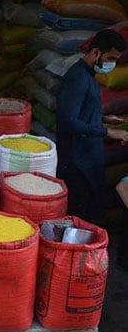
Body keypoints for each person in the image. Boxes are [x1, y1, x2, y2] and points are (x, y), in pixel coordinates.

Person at [56, 29, 128, 222]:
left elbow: (81, 112)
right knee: (79, 218)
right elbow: (68, 121)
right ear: (96, 52)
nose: (112, 64)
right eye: (111, 58)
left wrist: (104, 118)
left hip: (89, 160)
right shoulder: (78, 78)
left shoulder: (89, 77)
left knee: (92, 213)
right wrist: (107, 131)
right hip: (77, 163)